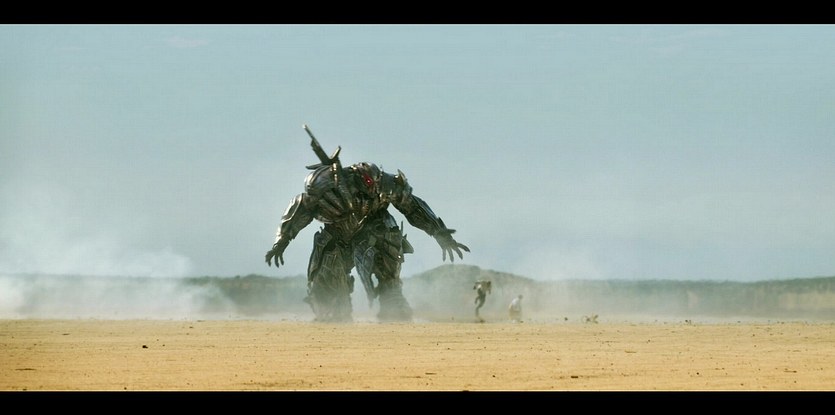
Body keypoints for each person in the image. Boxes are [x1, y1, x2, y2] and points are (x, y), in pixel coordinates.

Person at [265, 125, 470, 322]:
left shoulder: (384, 185)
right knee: (327, 293)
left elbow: (413, 207)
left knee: (386, 242)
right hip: (339, 238)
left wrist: (440, 233)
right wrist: (281, 241)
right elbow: (297, 212)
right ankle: (333, 314)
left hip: (373, 233)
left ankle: (392, 298)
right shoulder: (322, 191)